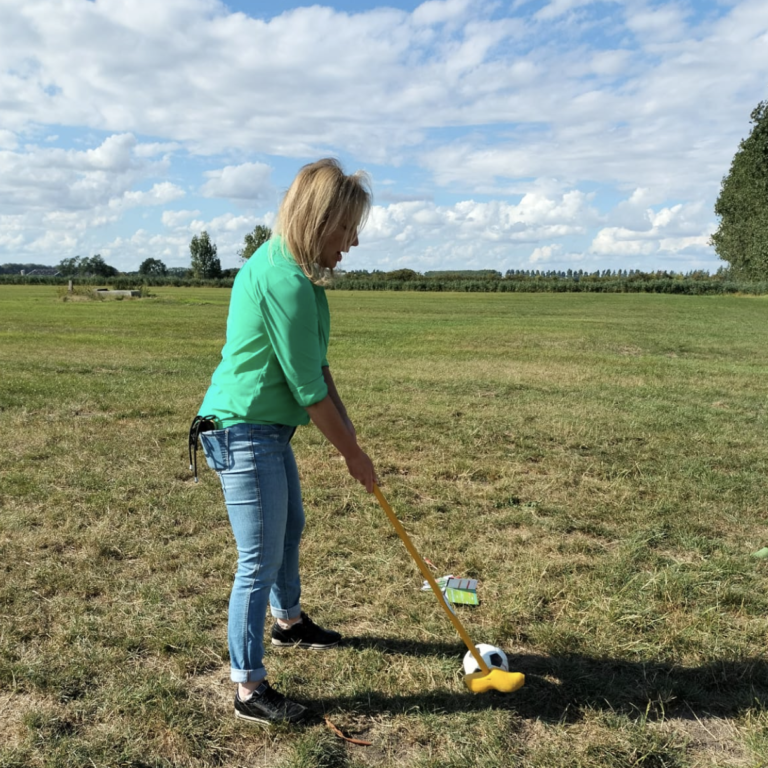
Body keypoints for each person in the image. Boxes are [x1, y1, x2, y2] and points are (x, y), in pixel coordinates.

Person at [191, 158, 377, 726]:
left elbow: (319, 372)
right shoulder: (284, 281)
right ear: (320, 222)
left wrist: (354, 441)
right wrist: (352, 455)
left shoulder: (295, 276)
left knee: (289, 527)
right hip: (243, 431)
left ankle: (289, 622)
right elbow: (308, 391)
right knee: (258, 559)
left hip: (267, 430)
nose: (351, 244)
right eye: (347, 231)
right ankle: (248, 687)